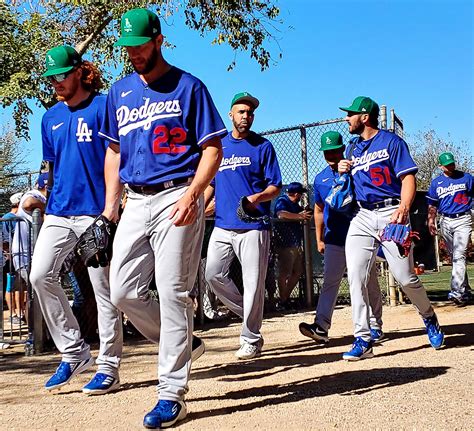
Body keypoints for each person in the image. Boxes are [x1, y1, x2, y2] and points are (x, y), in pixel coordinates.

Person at [99, 8, 226, 429]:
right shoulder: (119, 93)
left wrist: (194, 193)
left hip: (177, 194)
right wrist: (110, 206)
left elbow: (211, 149)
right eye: (126, 48)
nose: (132, 53)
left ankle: (171, 392)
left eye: (138, 45)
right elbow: (114, 152)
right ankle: (184, 341)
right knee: (122, 292)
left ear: (158, 40)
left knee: (173, 292)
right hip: (135, 201)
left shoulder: (189, 87)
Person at [29, 45, 123, 394]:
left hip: (95, 213)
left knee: (105, 292)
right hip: (58, 211)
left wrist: (113, 208)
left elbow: (118, 157)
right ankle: (74, 352)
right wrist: (38, 193)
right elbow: (47, 167)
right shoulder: (49, 117)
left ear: (80, 71)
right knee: (40, 275)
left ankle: (110, 367)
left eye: (62, 75)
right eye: (51, 77)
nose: (56, 82)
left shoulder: (103, 107)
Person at [337, 96, 444, 360]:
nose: (346, 118)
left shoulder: (391, 142)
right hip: (362, 215)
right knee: (356, 276)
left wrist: (404, 208)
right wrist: (341, 169)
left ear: (364, 117)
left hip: (391, 212)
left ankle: (428, 315)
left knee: (405, 277)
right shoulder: (352, 149)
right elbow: (348, 182)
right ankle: (363, 337)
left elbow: (408, 178)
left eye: (351, 114)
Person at [205, 91, 282, 360]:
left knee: (253, 284)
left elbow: (276, 186)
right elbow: (210, 184)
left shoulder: (263, 146)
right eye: (241, 112)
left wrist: (257, 198)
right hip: (223, 225)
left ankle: (251, 337)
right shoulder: (219, 145)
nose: (246, 116)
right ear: (231, 114)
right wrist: (197, 207)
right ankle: (250, 311)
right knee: (212, 275)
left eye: (250, 113)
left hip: (254, 226)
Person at [299, 131, 385, 344]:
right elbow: (318, 210)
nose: (331, 155)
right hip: (334, 237)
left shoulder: (357, 171)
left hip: (361, 234)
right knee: (330, 281)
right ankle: (321, 326)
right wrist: (319, 238)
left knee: (368, 281)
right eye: (327, 151)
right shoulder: (320, 179)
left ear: (342, 150)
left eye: (335, 150)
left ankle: (375, 324)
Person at [426, 152, 473, 305]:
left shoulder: (466, 178)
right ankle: (465, 291)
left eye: (452, 163)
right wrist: (431, 220)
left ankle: (456, 291)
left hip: (463, 218)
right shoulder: (436, 183)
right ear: (441, 166)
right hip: (445, 220)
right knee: (455, 257)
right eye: (447, 164)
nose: (451, 166)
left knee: (459, 255)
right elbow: (432, 204)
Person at [11, 174, 49, 325]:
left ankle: (38, 333)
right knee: (36, 294)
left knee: (35, 293)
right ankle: (35, 334)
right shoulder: (35, 195)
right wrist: (45, 207)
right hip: (24, 254)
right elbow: (28, 203)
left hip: (31, 253)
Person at [273, 182, 312, 310]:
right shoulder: (282, 200)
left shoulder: (295, 205)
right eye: (300, 194)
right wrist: (299, 216)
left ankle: (284, 299)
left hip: (296, 243)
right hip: (285, 243)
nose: (301, 196)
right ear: (296, 193)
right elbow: (281, 214)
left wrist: (306, 212)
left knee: (298, 271)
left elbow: (303, 214)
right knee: (285, 272)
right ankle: (283, 301)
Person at [2, 192, 23, 324]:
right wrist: (8, 254)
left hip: (21, 257)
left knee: (21, 286)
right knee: (11, 285)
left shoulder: (21, 218)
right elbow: (4, 240)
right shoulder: (8, 218)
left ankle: (21, 312)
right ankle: (12, 313)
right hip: (11, 259)